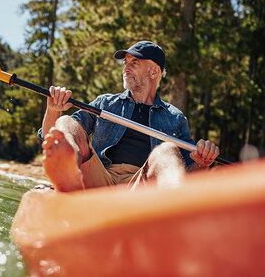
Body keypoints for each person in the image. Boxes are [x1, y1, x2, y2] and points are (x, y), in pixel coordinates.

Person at [38, 41, 220, 192]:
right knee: (66, 122)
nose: (126, 68)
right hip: (98, 179)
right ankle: (67, 177)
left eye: (134, 62)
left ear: (154, 72)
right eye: (125, 62)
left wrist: (203, 163)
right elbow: (50, 137)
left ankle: (167, 214)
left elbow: (188, 175)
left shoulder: (175, 118)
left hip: (140, 189)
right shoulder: (105, 103)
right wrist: (54, 110)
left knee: (166, 151)